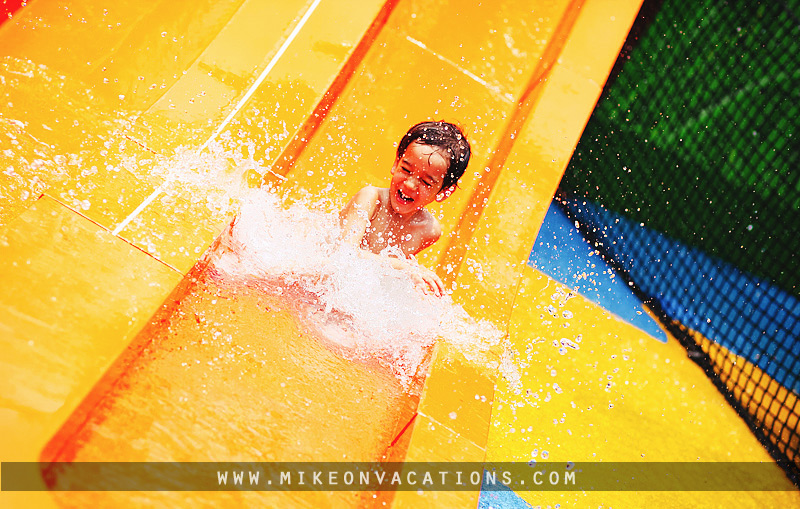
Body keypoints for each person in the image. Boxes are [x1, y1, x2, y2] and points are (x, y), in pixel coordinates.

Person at [339, 121, 471, 298]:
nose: (409, 184)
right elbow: (343, 255)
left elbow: (382, 275)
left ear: (444, 192)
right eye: (406, 169)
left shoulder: (429, 231)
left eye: (425, 182)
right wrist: (406, 269)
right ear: (396, 162)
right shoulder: (371, 199)